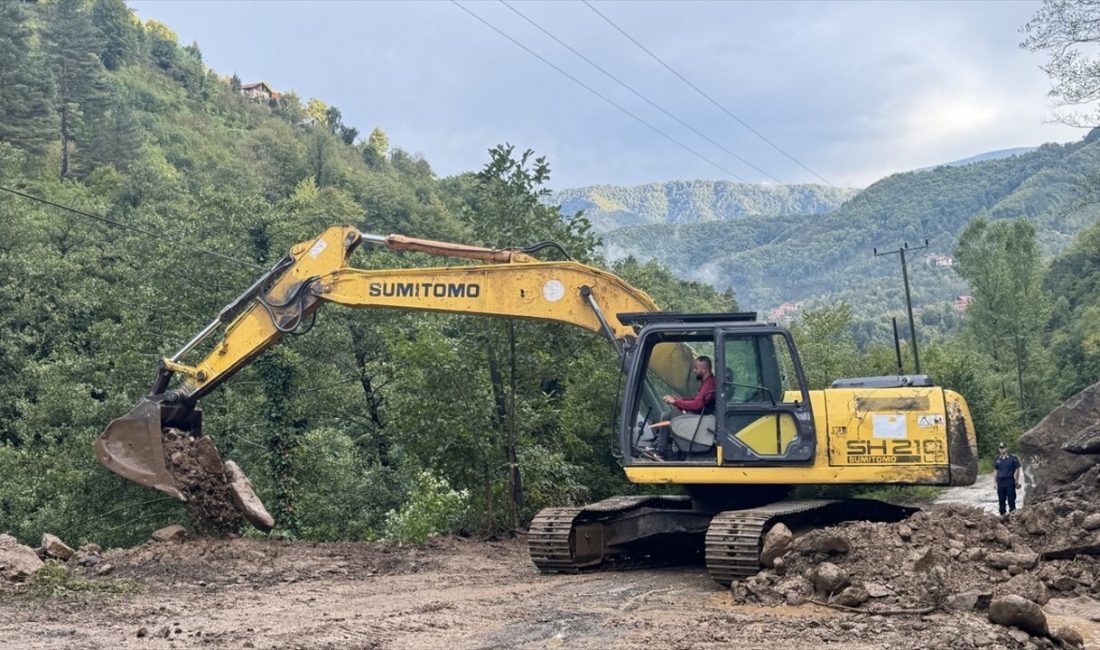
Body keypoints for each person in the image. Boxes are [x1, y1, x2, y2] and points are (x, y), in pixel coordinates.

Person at [994, 442, 1022, 516]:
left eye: (1003, 448)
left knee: (1011, 498)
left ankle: (1012, 513)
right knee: (1001, 499)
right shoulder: (997, 459)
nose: (1002, 450)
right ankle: (1002, 514)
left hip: (1009, 481)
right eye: (1000, 448)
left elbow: (1017, 469)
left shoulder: (1013, 458)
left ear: (1007, 448)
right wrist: (994, 482)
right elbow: (996, 470)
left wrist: (1016, 480)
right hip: (1000, 481)